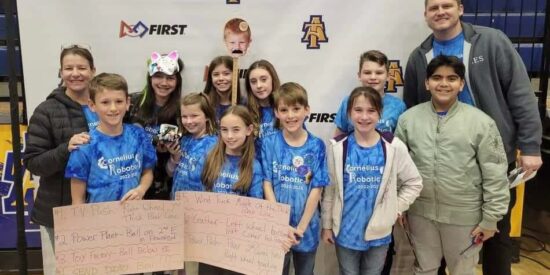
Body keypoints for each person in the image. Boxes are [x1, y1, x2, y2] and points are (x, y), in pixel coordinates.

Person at [403, 1, 542, 274]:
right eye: (434, 8)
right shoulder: (419, 56)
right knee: (441, 246)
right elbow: (413, 107)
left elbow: (521, 94)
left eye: (447, 5)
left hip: (493, 157)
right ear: (425, 15)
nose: (441, 12)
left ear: (461, 9)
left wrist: (530, 145)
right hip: (444, 166)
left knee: (496, 235)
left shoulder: (491, 41)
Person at [396, 55, 510, 275]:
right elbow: (398, 169)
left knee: (462, 271)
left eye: (452, 78)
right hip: (421, 214)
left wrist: (490, 219)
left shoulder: (482, 123)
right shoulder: (408, 120)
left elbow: (495, 174)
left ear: (461, 84)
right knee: (424, 269)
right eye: (437, 78)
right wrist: (400, 205)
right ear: (427, 83)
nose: (444, 84)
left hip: (464, 217)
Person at [321, 86, 422, 275]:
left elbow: (414, 182)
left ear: (380, 113)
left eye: (371, 111)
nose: (364, 117)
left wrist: (395, 208)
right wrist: (327, 225)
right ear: (349, 113)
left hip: (380, 233)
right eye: (358, 110)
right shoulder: (337, 148)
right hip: (345, 232)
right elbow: (330, 190)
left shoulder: (393, 146)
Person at [23, 44, 97, 275]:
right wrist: (66, 148)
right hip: (62, 207)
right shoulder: (46, 110)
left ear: (93, 71)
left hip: (104, 207)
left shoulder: (107, 103)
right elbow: (34, 162)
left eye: (82, 67)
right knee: (72, 270)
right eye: (69, 68)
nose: (75, 73)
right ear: (61, 72)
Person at [261, 82, 330, 275]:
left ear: (307, 110)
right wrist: (279, 223)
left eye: (296, 109)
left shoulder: (316, 145)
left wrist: (300, 228)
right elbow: (267, 183)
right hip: (276, 227)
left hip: (305, 228)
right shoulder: (269, 143)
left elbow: (317, 188)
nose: (290, 115)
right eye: (284, 110)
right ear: (276, 113)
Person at [65, 73, 156, 204]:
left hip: (134, 218)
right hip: (99, 221)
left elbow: (148, 172)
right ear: (92, 105)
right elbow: (77, 200)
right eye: (105, 102)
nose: (113, 108)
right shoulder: (84, 145)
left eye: (119, 101)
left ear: (127, 103)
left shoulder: (139, 135)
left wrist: (141, 190)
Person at [198, 105, 265, 274]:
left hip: (238, 245)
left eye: (236, 130)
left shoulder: (254, 166)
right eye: (224, 130)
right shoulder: (210, 158)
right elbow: (201, 195)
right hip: (210, 242)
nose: (229, 136)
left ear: (249, 130)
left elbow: (256, 206)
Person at [126, 50, 184, 201]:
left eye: (170, 78)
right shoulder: (132, 102)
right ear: (150, 78)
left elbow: (181, 155)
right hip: (130, 179)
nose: (164, 83)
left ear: (177, 81)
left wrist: (172, 152)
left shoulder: (182, 111)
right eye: (158, 76)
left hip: (163, 185)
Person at [334, 50, 406, 136]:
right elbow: (338, 139)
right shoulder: (348, 102)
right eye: (367, 73)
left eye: (379, 73)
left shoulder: (398, 106)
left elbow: (401, 142)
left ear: (388, 76)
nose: (373, 77)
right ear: (359, 76)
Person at [167, 92, 218, 195]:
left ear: (207, 116)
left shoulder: (215, 145)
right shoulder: (183, 140)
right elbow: (170, 173)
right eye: (184, 117)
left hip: (200, 205)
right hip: (177, 202)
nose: (189, 121)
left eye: (194, 116)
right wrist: (175, 157)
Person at [245, 59, 281, 161]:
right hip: (256, 171)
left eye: (264, 79)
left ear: (273, 80)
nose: (259, 86)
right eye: (253, 82)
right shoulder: (244, 112)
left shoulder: (286, 108)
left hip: (282, 169)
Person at [203, 56, 242, 121]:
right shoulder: (204, 104)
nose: (221, 78)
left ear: (235, 75)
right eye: (216, 74)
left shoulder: (244, 104)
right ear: (211, 78)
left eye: (226, 74)